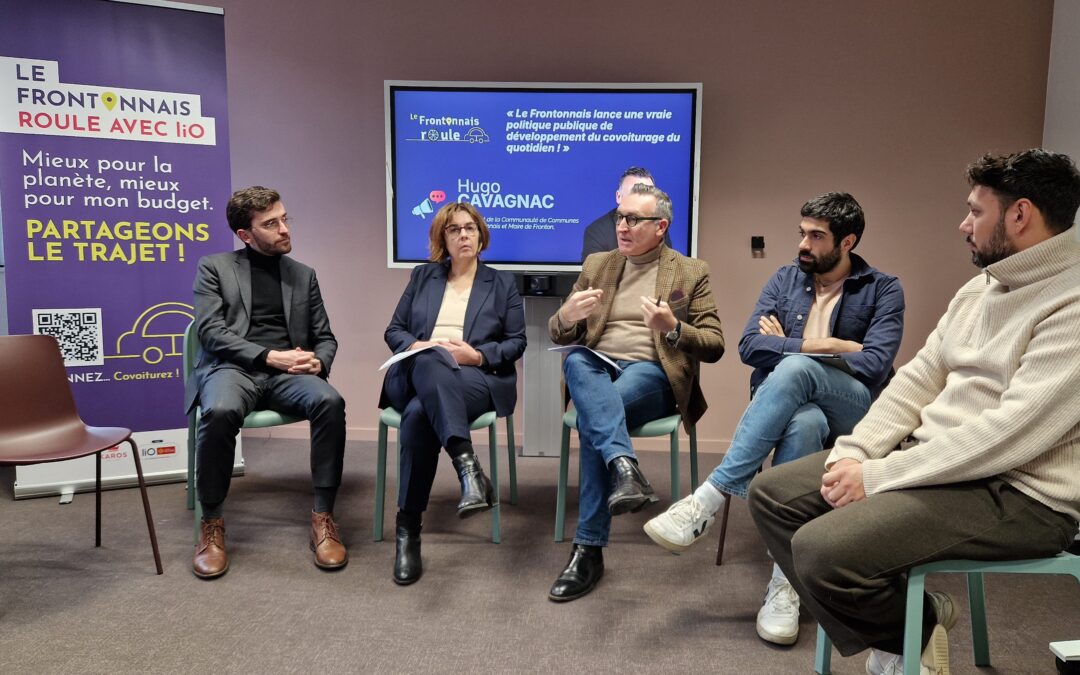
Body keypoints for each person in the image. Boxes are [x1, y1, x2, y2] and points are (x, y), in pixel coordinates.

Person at [749, 149, 1080, 675]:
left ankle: (908, 642)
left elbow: (1009, 434)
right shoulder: (983, 286)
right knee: (772, 497)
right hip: (939, 462)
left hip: (1023, 491)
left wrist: (879, 475)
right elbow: (918, 378)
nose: (963, 224)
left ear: (1019, 214)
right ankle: (912, 627)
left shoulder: (1072, 301)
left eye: (976, 211)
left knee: (820, 551)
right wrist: (854, 452)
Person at [643, 192, 905, 645]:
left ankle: (710, 495)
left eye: (816, 236)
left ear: (847, 242)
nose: (803, 244)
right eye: (802, 232)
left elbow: (877, 364)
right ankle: (785, 583)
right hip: (797, 408)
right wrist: (831, 345)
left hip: (857, 412)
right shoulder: (785, 280)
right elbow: (748, 347)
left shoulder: (883, 288)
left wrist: (795, 348)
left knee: (796, 367)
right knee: (803, 420)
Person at [548, 183, 724, 602]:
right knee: (575, 361)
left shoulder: (689, 271)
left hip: (653, 374)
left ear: (660, 226)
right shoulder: (598, 263)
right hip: (599, 369)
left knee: (596, 419)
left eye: (632, 220)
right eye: (619, 218)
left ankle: (588, 549)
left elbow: (715, 343)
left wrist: (674, 328)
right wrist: (566, 316)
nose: (622, 227)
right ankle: (624, 465)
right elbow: (559, 332)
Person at [186, 186, 347, 579]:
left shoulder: (302, 275)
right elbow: (211, 333)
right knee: (220, 410)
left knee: (330, 402)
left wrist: (316, 362)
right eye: (271, 224)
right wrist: (269, 355)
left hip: (288, 374)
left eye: (285, 219)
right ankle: (212, 524)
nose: (284, 229)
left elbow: (325, 337)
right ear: (245, 234)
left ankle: (323, 517)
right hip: (232, 368)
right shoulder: (215, 268)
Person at [380, 201, 526, 586]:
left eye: (470, 228)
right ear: (442, 238)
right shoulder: (423, 276)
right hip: (416, 371)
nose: (464, 235)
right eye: (454, 229)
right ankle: (468, 467)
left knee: (417, 416)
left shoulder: (501, 282)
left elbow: (516, 343)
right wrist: (419, 345)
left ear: (481, 234)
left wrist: (477, 354)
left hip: (474, 376)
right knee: (431, 360)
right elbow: (394, 331)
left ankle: (407, 529)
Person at [581, 166, 669, 259]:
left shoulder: (657, 224)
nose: (621, 229)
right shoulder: (596, 232)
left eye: (646, 194)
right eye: (633, 193)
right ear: (618, 197)